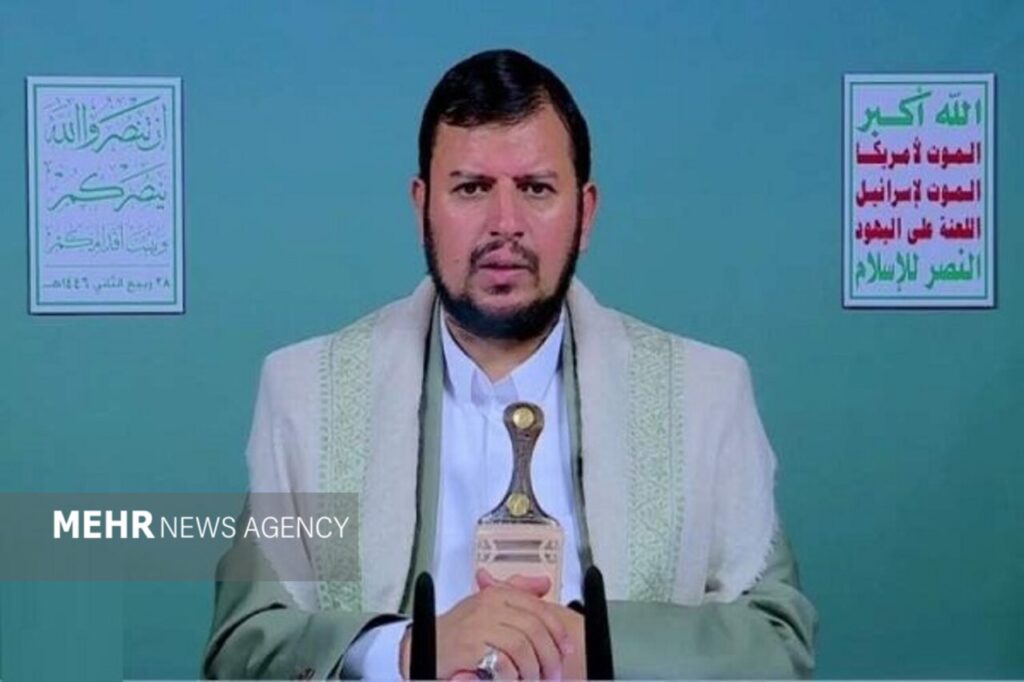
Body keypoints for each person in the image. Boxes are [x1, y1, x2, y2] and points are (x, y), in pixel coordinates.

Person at [203, 48, 817, 680]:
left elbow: (777, 642)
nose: (505, 224)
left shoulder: (704, 395)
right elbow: (245, 645)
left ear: (586, 213)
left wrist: (593, 647)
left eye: (536, 189)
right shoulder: (308, 394)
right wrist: (409, 652)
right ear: (421, 207)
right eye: (471, 188)